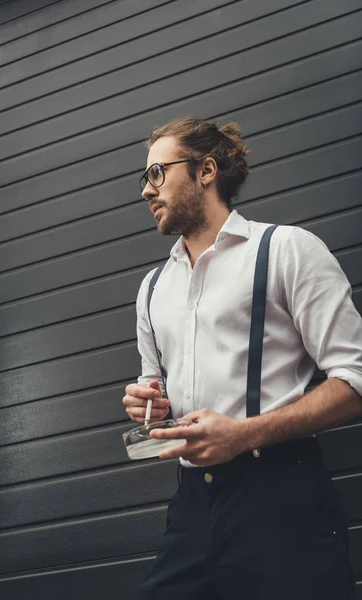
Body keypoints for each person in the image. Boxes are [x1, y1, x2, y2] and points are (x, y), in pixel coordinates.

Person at [122, 117, 362, 599]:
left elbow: (355, 381)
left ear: (205, 170)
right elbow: (157, 399)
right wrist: (148, 405)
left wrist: (243, 434)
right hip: (192, 505)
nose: (146, 191)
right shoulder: (152, 289)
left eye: (157, 174)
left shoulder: (286, 250)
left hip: (282, 497)